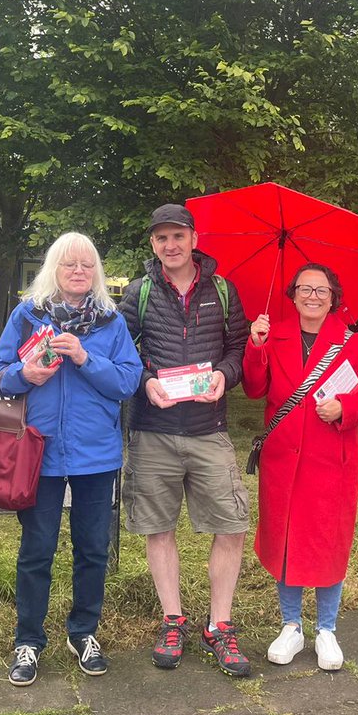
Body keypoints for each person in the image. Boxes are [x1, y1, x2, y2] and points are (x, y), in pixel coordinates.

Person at [0, 232, 142, 683]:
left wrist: (84, 357)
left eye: (87, 264)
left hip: (96, 455)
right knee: (37, 550)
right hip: (39, 452)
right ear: (52, 269)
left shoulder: (110, 322)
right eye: (69, 264)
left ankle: (83, 632)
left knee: (93, 550)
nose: (79, 271)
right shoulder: (27, 315)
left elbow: (127, 382)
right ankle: (28, 641)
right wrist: (26, 373)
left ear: (95, 272)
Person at [119, 203, 252, 676]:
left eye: (178, 236)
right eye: (161, 239)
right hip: (153, 431)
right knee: (159, 528)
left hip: (208, 429)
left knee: (231, 525)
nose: (170, 246)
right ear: (152, 245)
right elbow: (121, 352)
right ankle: (172, 619)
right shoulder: (139, 292)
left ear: (194, 238)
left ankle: (220, 625)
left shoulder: (223, 290)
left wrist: (223, 374)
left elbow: (236, 349)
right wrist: (145, 382)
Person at [243, 264, 358, 670]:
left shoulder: (351, 343)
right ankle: (291, 626)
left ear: (333, 296)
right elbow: (254, 389)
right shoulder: (274, 334)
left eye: (321, 290)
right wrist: (255, 345)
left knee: (326, 542)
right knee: (285, 541)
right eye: (305, 288)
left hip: (330, 462)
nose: (313, 296)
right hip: (283, 462)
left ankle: (326, 629)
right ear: (293, 293)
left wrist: (345, 407)